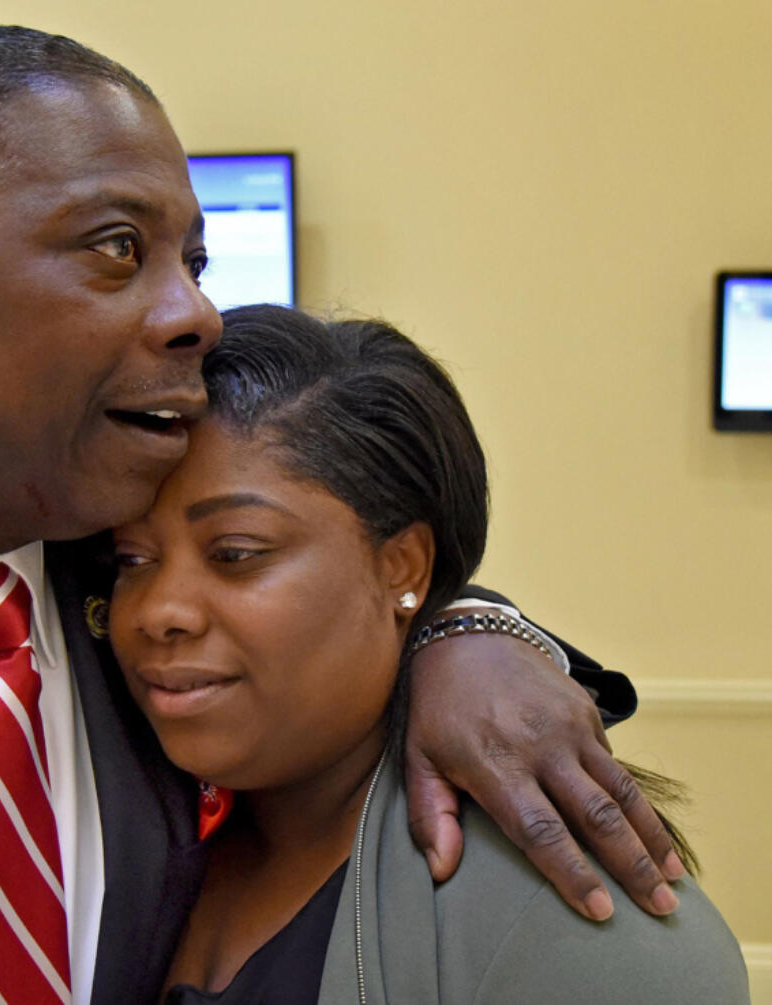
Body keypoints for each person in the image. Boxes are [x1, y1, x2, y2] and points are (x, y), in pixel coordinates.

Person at [0, 24, 681, 1005]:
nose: (194, 311)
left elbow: (329, 587)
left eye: (192, 260)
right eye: (116, 249)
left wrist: (462, 629)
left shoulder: (120, 593)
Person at [109, 304, 749, 1004]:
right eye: (130, 559)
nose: (158, 611)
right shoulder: (151, 814)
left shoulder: (561, 919)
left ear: (403, 567)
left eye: (235, 553)